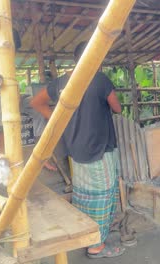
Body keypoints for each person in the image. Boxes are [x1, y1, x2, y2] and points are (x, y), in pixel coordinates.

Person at [30, 41, 124, 259]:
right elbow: (117, 108)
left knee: (85, 193)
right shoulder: (100, 80)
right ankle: (96, 246)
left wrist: (58, 119)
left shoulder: (61, 82)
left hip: (75, 148)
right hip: (100, 148)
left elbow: (36, 102)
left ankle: (87, 234)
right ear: (95, 57)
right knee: (103, 194)